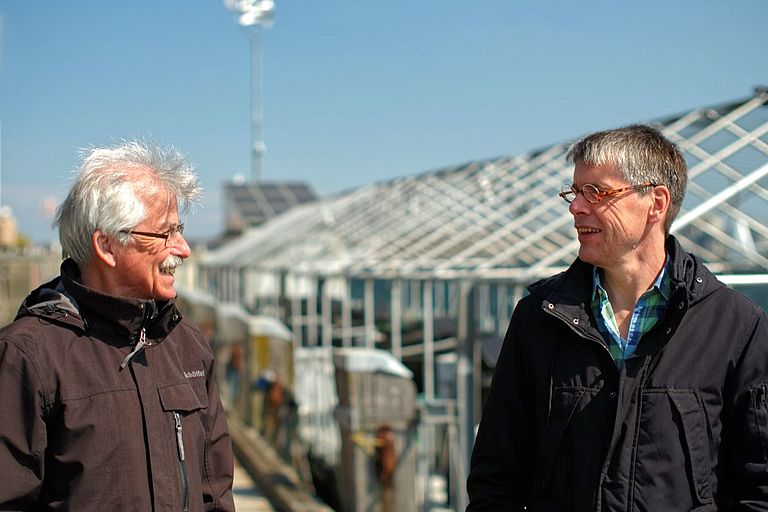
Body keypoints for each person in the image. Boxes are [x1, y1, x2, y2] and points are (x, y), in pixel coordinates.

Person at [466, 125, 768, 511]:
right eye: (575, 192)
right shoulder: (539, 318)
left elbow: (759, 484)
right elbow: (497, 475)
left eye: (596, 192)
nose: (576, 207)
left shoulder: (734, 325)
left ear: (655, 203)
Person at [0, 140, 235, 511]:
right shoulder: (27, 357)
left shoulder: (186, 344)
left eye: (180, 230)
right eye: (165, 234)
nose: (184, 248)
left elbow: (215, 491)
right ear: (107, 246)